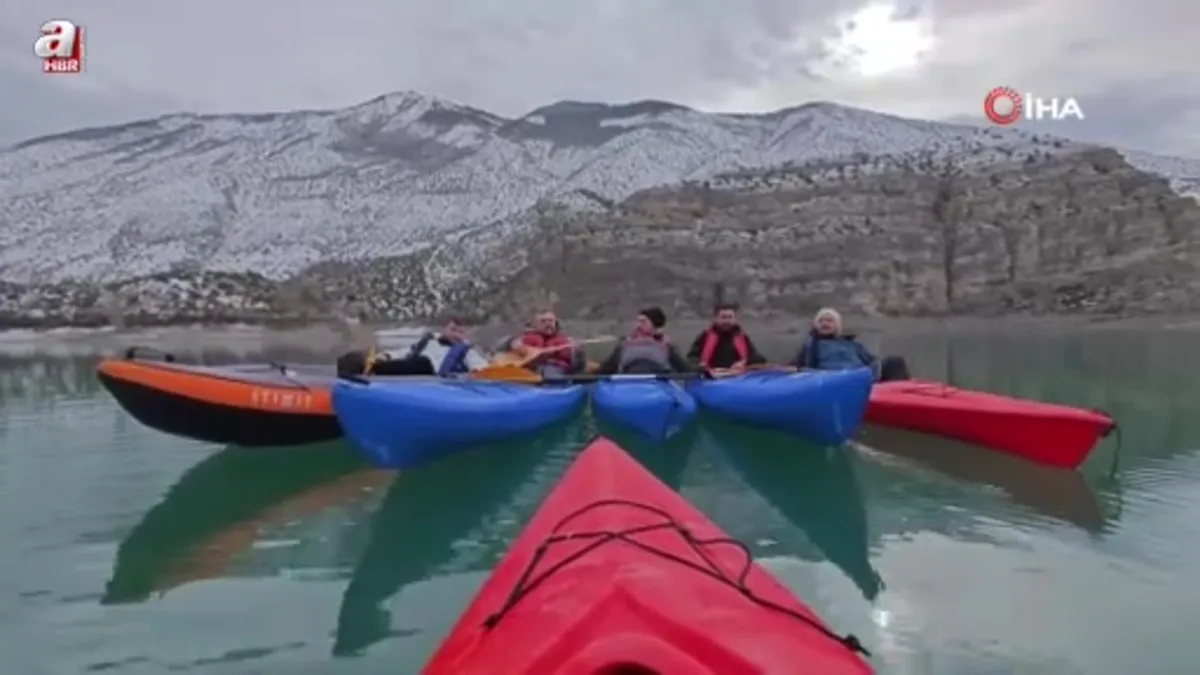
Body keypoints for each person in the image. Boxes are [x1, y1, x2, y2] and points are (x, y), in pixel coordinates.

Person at [791, 308, 910, 381]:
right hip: (837, 380)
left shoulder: (852, 345)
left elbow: (872, 361)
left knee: (895, 362)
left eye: (829, 320)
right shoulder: (812, 344)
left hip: (861, 378)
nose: (824, 323)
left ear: (836, 326)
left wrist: (870, 374)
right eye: (821, 321)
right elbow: (799, 365)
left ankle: (903, 395)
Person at [596, 307, 694, 375]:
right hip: (628, 380)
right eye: (638, 321)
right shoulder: (625, 345)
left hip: (656, 381)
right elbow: (606, 369)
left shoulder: (666, 346)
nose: (638, 325)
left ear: (655, 325)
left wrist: (700, 371)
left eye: (643, 322)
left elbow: (685, 369)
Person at [504, 309, 587, 377]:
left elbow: (578, 366)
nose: (548, 324)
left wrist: (578, 351)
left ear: (555, 323)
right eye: (543, 321)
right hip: (527, 371)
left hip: (555, 371)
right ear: (534, 325)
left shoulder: (566, 341)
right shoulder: (522, 338)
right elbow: (500, 348)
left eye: (550, 321)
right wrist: (511, 343)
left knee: (550, 372)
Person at [687, 302, 767, 370]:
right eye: (723, 317)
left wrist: (744, 362)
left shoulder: (743, 337)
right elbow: (692, 357)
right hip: (711, 377)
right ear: (716, 318)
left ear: (735, 319)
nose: (727, 321)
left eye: (730, 317)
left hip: (737, 377)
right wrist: (699, 364)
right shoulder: (705, 336)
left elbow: (758, 358)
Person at [406, 317, 475, 377]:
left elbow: (481, 369)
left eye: (461, 332)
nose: (456, 335)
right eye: (453, 330)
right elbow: (404, 354)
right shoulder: (427, 342)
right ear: (444, 329)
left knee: (424, 362)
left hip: (435, 378)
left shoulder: (467, 351)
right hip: (412, 377)